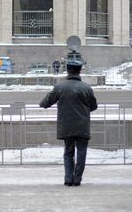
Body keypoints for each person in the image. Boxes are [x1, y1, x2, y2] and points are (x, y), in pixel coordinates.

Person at [39, 58, 97, 186]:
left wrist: (43, 103)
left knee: (68, 152)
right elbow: (93, 106)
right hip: (82, 126)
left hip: (66, 125)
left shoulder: (60, 87)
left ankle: (68, 179)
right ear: (80, 70)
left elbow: (45, 103)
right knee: (82, 152)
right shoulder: (87, 88)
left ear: (68, 70)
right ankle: (77, 180)